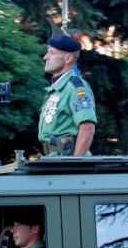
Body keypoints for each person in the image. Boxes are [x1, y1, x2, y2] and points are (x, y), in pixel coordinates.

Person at [37, 21, 97, 156]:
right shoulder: (56, 89)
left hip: (67, 164)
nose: (45, 57)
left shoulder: (76, 88)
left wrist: (76, 165)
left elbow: (87, 128)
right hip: (55, 160)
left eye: (51, 53)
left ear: (68, 58)